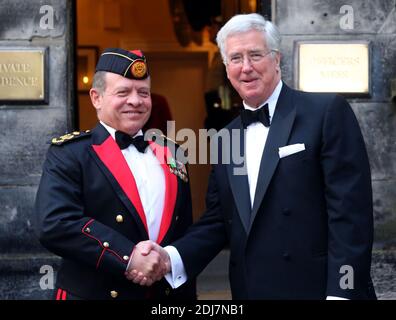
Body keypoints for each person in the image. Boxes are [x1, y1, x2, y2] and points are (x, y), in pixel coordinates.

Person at [131, 13, 376, 300]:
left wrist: (342, 293)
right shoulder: (225, 137)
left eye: (255, 55)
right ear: (226, 67)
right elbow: (219, 221)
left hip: (318, 291)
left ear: (276, 59)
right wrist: (169, 257)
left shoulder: (325, 112)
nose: (246, 68)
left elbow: (350, 216)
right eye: (235, 58)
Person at [34, 48, 196, 300]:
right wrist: (128, 257)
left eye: (143, 92)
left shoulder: (172, 152)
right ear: (96, 98)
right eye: (123, 92)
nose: (136, 100)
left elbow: (184, 230)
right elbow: (55, 223)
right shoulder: (71, 153)